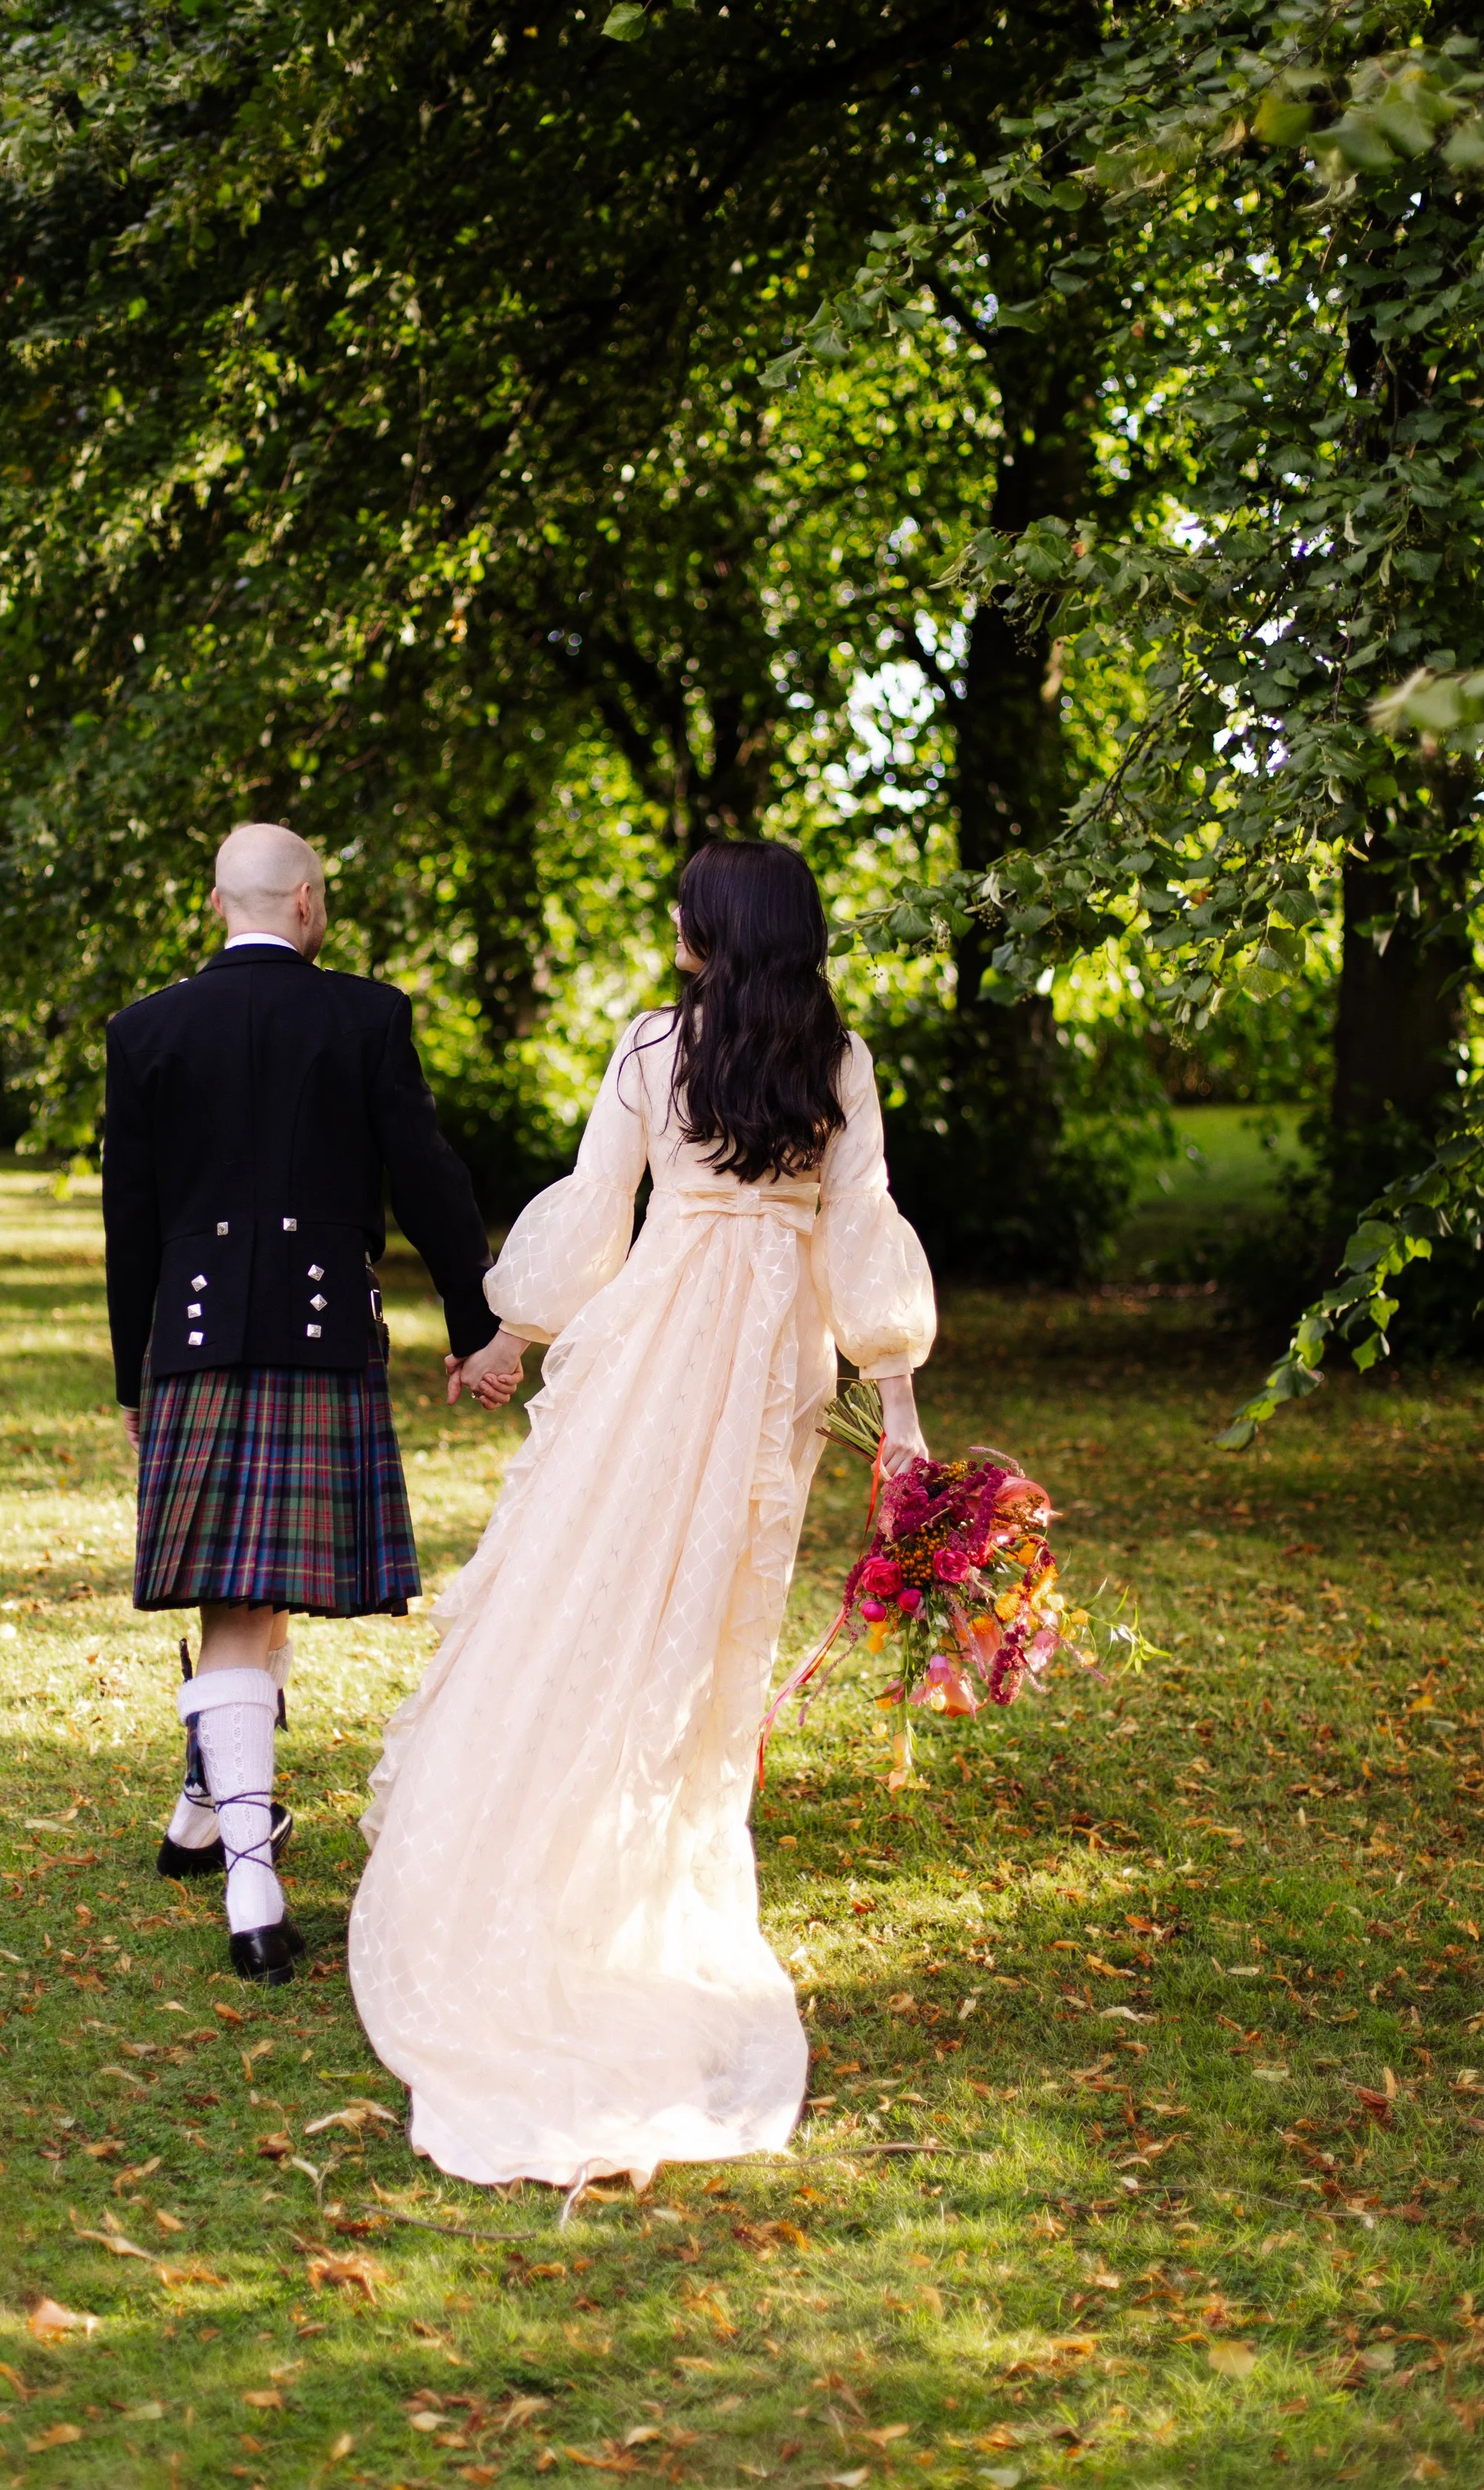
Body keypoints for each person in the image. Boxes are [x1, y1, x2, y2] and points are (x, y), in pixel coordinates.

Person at [349, 837, 937, 2185]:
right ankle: (627, 1864)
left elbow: (592, 1210)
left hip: (665, 1344)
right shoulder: (835, 1063)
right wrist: (896, 1413)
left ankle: (579, 1863)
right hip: (762, 1364)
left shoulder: (652, 1048)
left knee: (589, 1584)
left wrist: (510, 1336)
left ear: (707, 934)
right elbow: (861, 1230)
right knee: (708, 1612)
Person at [103, 823, 501, 1985]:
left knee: (241, 1590)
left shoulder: (147, 1029)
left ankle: (204, 1804)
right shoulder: (364, 1016)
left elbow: (132, 1222)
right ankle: (250, 1873)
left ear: (218, 903)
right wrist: (475, 1330)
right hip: (325, 1337)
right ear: (311, 902)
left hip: (195, 1338)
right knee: (249, 1591)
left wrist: (138, 1373)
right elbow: (430, 1176)